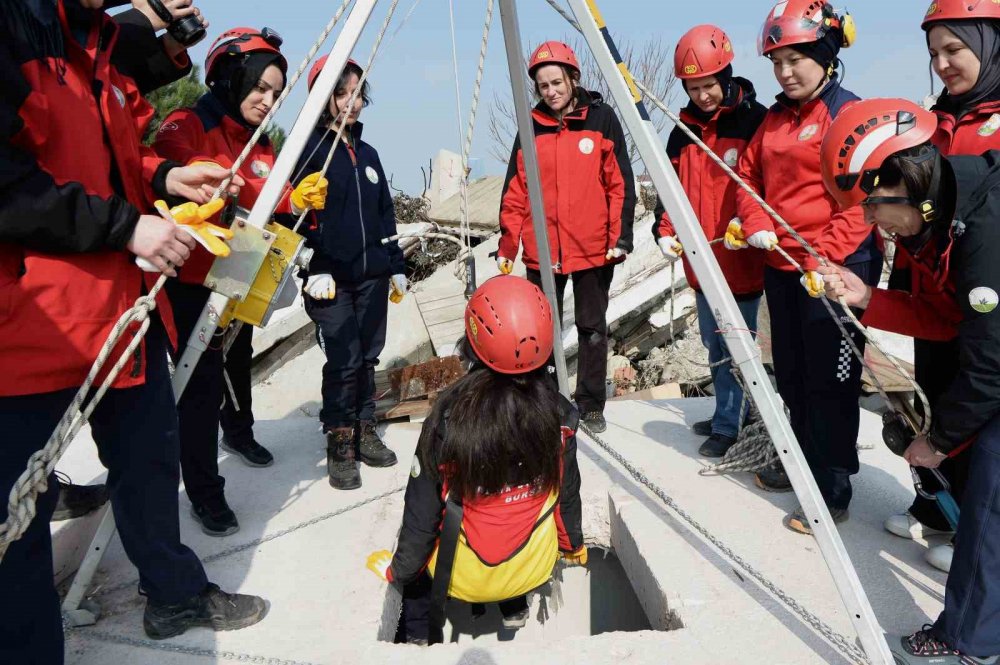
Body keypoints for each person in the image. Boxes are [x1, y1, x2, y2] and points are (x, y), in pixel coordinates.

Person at [0, 2, 266, 661]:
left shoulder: (98, 51)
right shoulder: (13, 31)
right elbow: (9, 185)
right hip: (33, 319)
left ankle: (173, 594)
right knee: (17, 515)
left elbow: (117, 156)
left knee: (150, 462)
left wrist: (167, 176)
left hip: (124, 311)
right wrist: (129, 226)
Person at [818, 96, 1000, 665]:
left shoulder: (985, 228)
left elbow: (991, 365)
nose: (871, 221)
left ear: (914, 188)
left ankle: (969, 643)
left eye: (875, 205)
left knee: (991, 492)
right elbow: (947, 319)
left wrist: (938, 440)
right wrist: (869, 297)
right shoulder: (941, 219)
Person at [153, 27, 328, 535]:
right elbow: (174, 181)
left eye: (276, 93)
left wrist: (296, 200)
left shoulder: (258, 139)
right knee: (200, 385)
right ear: (230, 77)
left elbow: (268, 192)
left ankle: (240, 432)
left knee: (237, 354)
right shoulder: (187, 125)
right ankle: (205, 491)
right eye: (259, 88)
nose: (268, 101)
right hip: (190, 280)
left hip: (239, 268)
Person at [365, 276, 586, 645]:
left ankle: (419, 640)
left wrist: (399, 572)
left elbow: (421, 515)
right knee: (521, 512)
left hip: (461, 577)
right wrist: (573, 547)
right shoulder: (560, 416)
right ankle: (514, 606)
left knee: (419, 568)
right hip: (533, 570)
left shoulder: (448, 419)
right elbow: (566, 495)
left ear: (473, 341)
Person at [732, 0, 879, 534]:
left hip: (838, 268)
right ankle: (802, 463)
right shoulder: (772, 119)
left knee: (830, 381)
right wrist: (754, 223)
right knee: (792, 374)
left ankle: (833, 484)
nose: (785, 72)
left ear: (825, 55)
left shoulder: (848, 115)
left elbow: (866, 202)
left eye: (796, 59)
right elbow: (747, 179)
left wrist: (825, 258)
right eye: (777, 62)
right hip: (783, 264)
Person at [880, 0, 1000, 574]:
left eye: (955, 49)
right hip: (929, 282)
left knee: (974, 404)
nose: (944, 64)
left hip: (983, 293)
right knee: (931, 397)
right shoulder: (934, 121)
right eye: (934, 54)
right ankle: (936, 509)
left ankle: (970, 529)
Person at [498, 41, 636, 435]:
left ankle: (590, 403)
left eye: (557, 82)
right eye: (543, 86)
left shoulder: (601, 119)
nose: (551, 91)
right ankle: (545, 401)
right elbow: (515, 190)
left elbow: (619, 182)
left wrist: (620, 236)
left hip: (592, 247)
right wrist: (508, 246)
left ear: (573, 79)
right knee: (538, 331)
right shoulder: (530, 127)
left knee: (592, 327)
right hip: (542, 251)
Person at [653, 24, 768, 458]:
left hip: (741, 264)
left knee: (737, 345)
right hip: (701, 264)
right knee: (713, 344)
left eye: (710, 86)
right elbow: (671, 192)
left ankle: (730, 424)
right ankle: (732, 410)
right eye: (694, 87)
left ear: (727, 77)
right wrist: (663, 232)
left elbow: (764, 187)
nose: (703, 96)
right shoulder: (681, 134)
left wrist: (751, 224)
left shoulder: (754, 122)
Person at [293, 56, 405, 490]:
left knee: (368, 356)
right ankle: (339, 441)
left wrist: (395, 267)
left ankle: (364, 429)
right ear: (324, 100)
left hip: (371, 276)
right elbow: (286, 220)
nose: (352, 103)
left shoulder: (370, 155)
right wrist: (308, 265)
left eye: (357, 93)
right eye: (342, 93)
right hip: (328, 279)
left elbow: (386, 216)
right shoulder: (308, 152)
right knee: (344, 360)